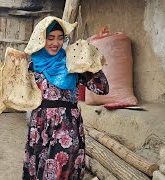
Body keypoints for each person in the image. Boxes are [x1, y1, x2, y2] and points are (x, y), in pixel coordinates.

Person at [22, 17, 109, 180]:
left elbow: (102, 88)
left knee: (61, 173)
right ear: (41, 39)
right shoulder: (33, 66)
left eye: (60, 38)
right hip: (40, 128)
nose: (56, 43)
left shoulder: (73, 63)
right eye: (51, 38)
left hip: (66, 128)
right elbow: (20, 96)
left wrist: (91, 59)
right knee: (39, 172)